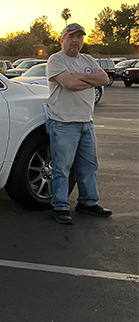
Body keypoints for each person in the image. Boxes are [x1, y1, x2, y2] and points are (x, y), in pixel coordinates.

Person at [46, 23, 112, 225]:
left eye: (79, 37)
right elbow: (69, 84)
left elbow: (104, 79)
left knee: (89, 167)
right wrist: (90, 79)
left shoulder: (88, 59)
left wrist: (81, 76)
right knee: (62, 168)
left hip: (86, 123)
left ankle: (87, 203)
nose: (76, 41)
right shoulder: (56, 60)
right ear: (62, 39)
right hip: (63, 124)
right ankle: (60, 205)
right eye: (71, 36)